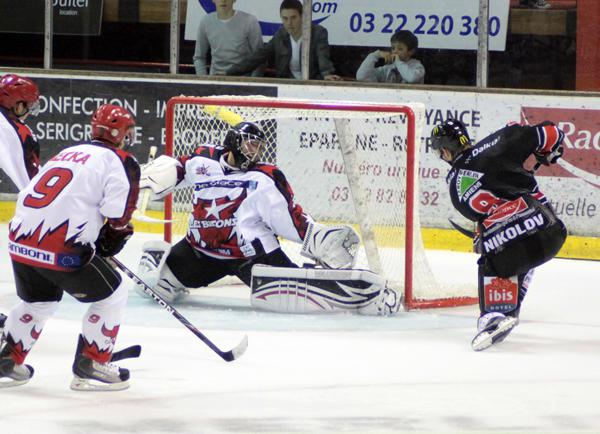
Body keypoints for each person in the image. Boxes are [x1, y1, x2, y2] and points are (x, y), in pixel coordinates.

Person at [134, 121, 401, 316]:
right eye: (250, 143)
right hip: (200, 252)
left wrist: (316, 237)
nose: (254, 151)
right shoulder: (202, 160)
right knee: (149, 286)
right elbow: (179, 168)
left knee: (306, 297)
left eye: (258, 146)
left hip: (252, 257)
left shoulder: (266, 177)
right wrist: (157, 174)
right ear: (234, 142)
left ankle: (371, 296)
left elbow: (291, 218)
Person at [0, 104, 141, 390]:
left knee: (38, 302)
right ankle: (93, 361)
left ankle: (7, 361)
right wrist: (108, 244)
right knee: (113, 293)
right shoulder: (120, 160)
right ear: (120, 133)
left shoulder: (66, 152)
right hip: (61, 247)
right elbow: (118, 217)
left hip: (20, 241)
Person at [430, 118, 567, 351]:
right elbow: (552, 132)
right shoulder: (499, 141)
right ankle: (508, 309)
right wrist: (548, 151)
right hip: (551, 232)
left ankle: (494, 315)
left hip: (510, 252)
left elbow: (482, 214)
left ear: (445, 151)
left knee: (490, 252)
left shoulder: (453, 186)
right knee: (516, 238)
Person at [225, 0, 341, 80]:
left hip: (311, 86)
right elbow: (257, 57)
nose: (289, 23)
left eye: (293, 18)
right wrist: (229, 72)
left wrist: (327, 74)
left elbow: (323, 57)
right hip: (286, 86)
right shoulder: (280, 35)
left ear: (303, 16)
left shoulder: (318, 33)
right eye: (285, 18)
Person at [193, 0, 264, 76]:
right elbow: (199, 58)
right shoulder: (206, 22)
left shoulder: (250, 21)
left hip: (242, 81)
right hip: (214, 80)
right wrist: (205, 83)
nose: (223, 1)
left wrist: (251, 84)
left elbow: (260, 59)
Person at [0, 73, 41, 191]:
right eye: (29, 105)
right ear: (18, 106)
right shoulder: (18, 131)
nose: (29, 111)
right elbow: (33, 187)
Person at [356, 30, 425, 84]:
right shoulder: (387, 69)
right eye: (393, 48)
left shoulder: (417, 67)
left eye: (400, 49)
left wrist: (398, 62)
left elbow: (411, 78)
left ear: (411, 51)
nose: (395, 52)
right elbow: (362, 77)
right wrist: (375, 55)